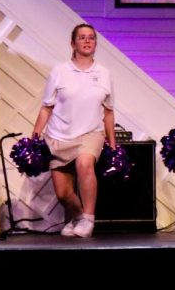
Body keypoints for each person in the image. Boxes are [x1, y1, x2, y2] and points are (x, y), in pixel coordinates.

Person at [30, 23, 115, 237]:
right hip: (59, 136)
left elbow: (109, 111)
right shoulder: (60, 71)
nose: (87, 41)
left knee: (85, 164)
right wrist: (35, 135)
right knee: (63, 194)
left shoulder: (104, 74)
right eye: (82, 37)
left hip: (90, 133)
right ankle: (76, 216)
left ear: (95, 43)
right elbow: (47, 107)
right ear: (72, 43)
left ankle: (88, 219)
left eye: (91, 38)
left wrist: (112, 143)